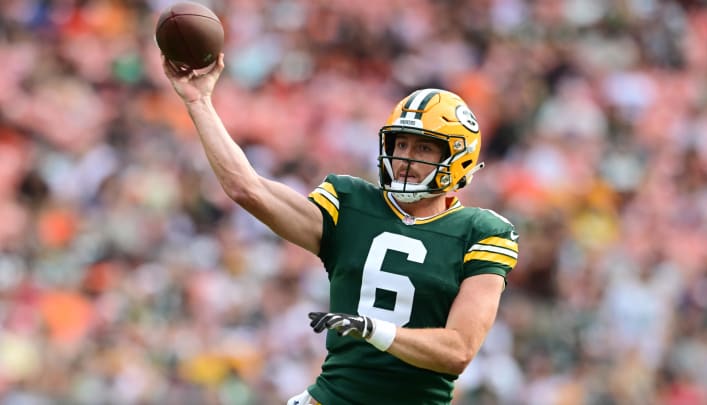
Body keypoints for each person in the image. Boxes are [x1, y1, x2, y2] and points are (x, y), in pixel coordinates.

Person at [162, 54, 519, 405]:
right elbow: (247, 188)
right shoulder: (352, 204)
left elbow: (458, 350)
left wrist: (372, 329)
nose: (406, 159)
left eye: (424, 148)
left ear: (459, 159)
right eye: (402, 145)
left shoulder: (482, 232)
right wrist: (199, 102)